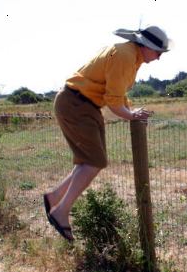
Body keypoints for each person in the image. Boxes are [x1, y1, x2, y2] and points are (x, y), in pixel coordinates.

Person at [43, 25, 172, 241]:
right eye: (158, 53)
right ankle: (60, 212)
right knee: (94, 162)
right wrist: (131, 116)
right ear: (146, 46)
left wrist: (130, 110)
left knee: (88, 161)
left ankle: (53, 197)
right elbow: (113, 102)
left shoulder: (132, 56)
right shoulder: (125, 55)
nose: (159, 58)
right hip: (77, 103)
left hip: (85, 105)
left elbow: (117, 93)